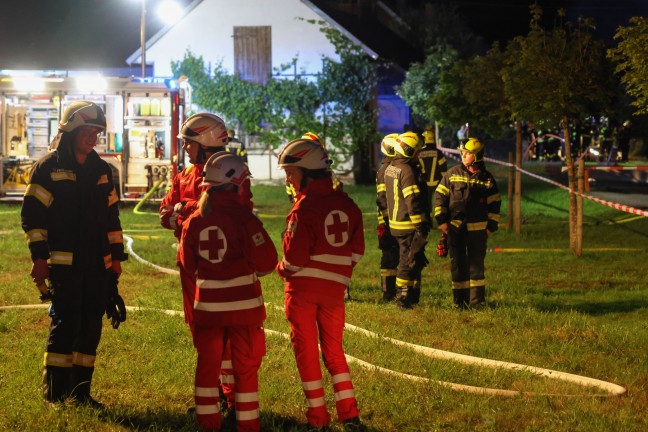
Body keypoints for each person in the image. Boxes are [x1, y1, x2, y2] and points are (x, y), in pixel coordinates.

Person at [21, 101, 128, 407]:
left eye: (96, 132)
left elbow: (111, 218)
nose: (93, 137)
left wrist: (117, 259)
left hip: (97, 266)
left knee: (90, 327)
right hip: (64, 266)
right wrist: (39, 258)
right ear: (70, 131)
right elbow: (33, 218)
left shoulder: (101, 170)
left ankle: (80, 393)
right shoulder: (47, 168)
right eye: (87, 131)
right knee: (66, 327)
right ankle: (55, 395)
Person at [179, 152, 276, 432]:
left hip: (208, 311)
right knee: (244, 369)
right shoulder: (245, 220)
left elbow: (187, 264)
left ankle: (208, 424)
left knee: (207, 368)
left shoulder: (193, 222)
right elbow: (268, 261)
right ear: (235, 185)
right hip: (243, 311)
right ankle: (247, 425)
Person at [159, 113, 249, 413]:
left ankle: (228, 394)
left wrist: (181, 211)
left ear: (206, 143)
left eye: (189, 143)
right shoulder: (185, 176)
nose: (185, 148)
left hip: (221, 265)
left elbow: (229, 212)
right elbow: (165, 213)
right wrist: (186, 209)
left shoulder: (232, 172)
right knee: (200, 330)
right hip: (190, 264)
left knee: (223, 331)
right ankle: (216, 394)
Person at [276, 138, 366, 431]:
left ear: (308, 170)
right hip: (335, 292)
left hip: (302, 291)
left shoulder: (304, 208)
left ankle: (318, 418)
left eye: (291, 172)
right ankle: (349, 414)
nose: (289, 179)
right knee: (334, 350)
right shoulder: (348, 205)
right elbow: (356, 251)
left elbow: (294, 258)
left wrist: (281, 269)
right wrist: (338, 272)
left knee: (306, 352)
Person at [433, 138, 501, 309]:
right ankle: (459, 302)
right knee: (458, 264)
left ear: (477, 155)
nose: (463, 156)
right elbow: (439, 196)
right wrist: (442, 221)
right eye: (462, 153)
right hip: (456, 229)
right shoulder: (452, 174)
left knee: (476, 266)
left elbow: (495, 203)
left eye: (468, 153)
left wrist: (490, 227)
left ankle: (477, 302)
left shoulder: (486, 179)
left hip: (478, 231)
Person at [384, 131, 429, 309]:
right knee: (407, 260)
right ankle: (402, 297)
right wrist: (420, 225)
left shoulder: (391, 168)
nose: (419, 155)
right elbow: (412, 201)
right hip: (408, 224)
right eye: (417, 152)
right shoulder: (407, 171)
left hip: (396, 222)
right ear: (409, 151)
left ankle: (410, 295)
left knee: (410, 259)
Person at [375, 133, 400, 301]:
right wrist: (386, 222)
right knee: (390, 257)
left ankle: (391, 290)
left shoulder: (387, 169)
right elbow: (382, 199)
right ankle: (388, 292)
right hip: (390, 221)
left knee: (394, 256)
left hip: (391, 220)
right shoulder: (387, 170)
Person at [418, 126, 447, 222]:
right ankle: (441, 220)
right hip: (438, 182)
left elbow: (417, 168)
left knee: (427, 203)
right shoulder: (439, 153)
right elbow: (444, 168)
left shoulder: (419, 153)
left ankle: (428, 220)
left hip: (425, 183)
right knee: (440, 202)